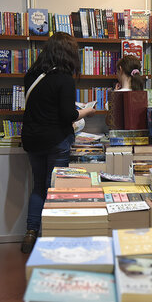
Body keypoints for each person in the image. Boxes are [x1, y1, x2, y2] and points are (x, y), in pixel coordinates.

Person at [21, 32, 96, 253]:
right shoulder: (64, 78)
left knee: (38, 187)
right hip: (55, 140)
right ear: (69, 53)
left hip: (32, 140)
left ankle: (30, 233)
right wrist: (86, 111)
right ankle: (52, 236)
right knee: (55, 190)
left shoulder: (32, 75)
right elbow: (67, 115)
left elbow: (41, 107)